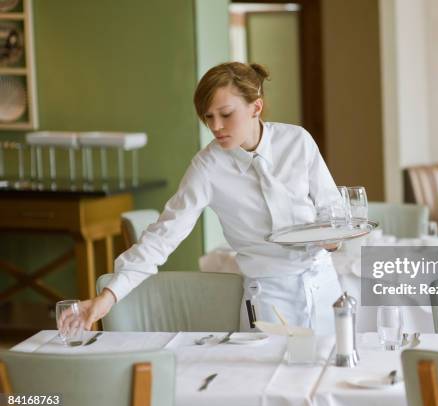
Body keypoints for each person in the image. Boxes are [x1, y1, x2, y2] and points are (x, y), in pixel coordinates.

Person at [67, 62, 344, 334]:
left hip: (323, 285)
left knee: (332, 373)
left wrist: (333, 238)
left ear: (255, 107)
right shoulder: (208, 167)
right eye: (208, 117)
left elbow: (331, 207)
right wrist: (108, 297)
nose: (216, 126)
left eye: (225, 114)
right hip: (268, 299)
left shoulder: (297, 141)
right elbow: (163, 236)